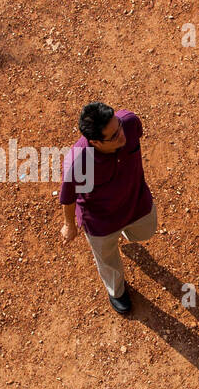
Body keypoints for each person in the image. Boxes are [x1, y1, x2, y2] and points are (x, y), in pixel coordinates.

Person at [59, 102, 157, 314]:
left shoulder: (130, 123)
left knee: (147, 230)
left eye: (118, 126)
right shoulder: (77, 162)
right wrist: (69, 225)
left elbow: (130, 131)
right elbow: (68, 197)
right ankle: (117, 291)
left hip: (135, 202)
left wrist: (121, 128)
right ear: (95, 142)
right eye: (113, 136)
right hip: (101, 221)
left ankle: (123, 234)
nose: (122, 135)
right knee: (107, 259)